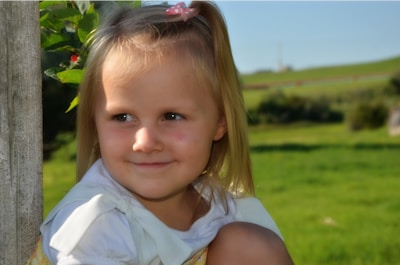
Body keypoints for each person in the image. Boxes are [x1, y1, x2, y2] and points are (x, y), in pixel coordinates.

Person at [29, 1, 294, 264]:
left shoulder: (224, 208)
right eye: (122, 117)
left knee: (252, 246)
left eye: (171, 116)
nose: (145, 142)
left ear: (219, 123)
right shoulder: (96, 224)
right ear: (95, 123)